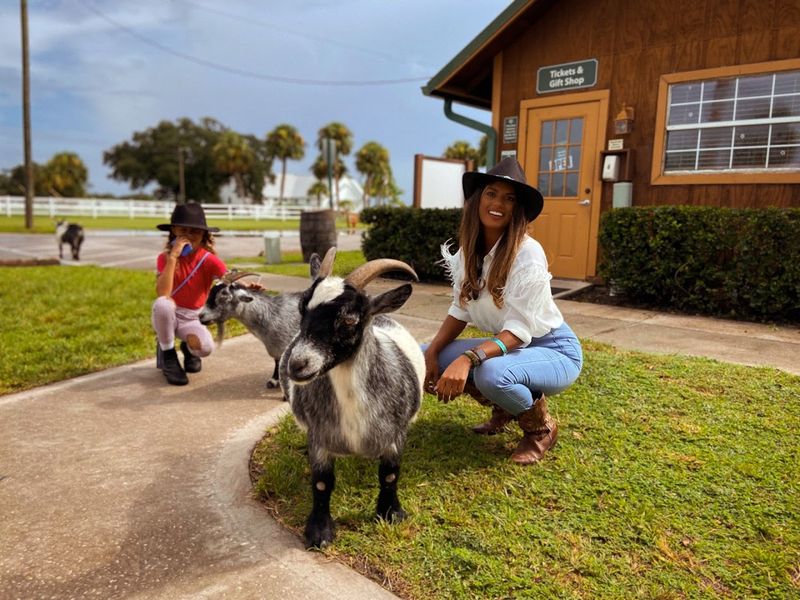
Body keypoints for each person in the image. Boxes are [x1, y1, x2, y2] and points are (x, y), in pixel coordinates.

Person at [423, 157, 583, 465]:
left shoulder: (527, 253)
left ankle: (540, 430)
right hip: (512, 347)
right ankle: (505, 408)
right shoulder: (470, 250)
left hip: (555, 350)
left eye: (510, 198)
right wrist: (432, 352)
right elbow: (460, 309)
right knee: (421, 354)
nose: (498, 203)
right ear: (478, 199)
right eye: (491, 193)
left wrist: (467, 358)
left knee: (492, 373)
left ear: (517, 209)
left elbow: (520, 333)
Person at [152, 202, 227, 386]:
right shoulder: (165, 258)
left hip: (191, 318)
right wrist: (173, 258)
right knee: (163, 303)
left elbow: (227, 278)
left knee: (206, 348)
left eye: (194, 232)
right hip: (166, 316)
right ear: (174, 232)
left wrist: (246, 284)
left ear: (203, 235)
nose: (188, 237)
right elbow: (163, 293)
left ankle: (188, 348)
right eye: (183, 231)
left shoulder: (209, 260)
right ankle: (168, 354)